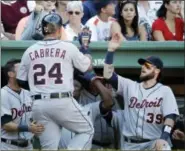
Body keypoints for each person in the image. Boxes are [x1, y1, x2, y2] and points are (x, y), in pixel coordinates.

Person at [16, 13, 111, 150]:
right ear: (60, 30)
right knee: (87, 130)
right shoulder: (67, 47)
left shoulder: (29, 51)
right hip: (62, 101)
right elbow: (87, 66)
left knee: (49, 147)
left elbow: (21, 81)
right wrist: (86, 51)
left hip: (38, 105)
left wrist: (41, 90)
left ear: (43, 30)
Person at [102, 32, 179, 150]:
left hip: (153, 143)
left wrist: (164, 138)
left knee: (164, 147)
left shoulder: (165, 91)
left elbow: (170, 117)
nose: (143, 67)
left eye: (148, 66)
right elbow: (108, 75)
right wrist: (110, 51)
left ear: (157, 71)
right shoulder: (130, 86)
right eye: (142, 65)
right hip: (130, 144)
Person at [1, 59, 44, 150]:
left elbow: (33, 118)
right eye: (21, 70)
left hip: (28, 145)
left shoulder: (28, 93)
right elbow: (6, 125)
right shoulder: (3, 94)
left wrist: (35, 125)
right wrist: (29, 128)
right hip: (8, 146)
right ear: (11, 74)